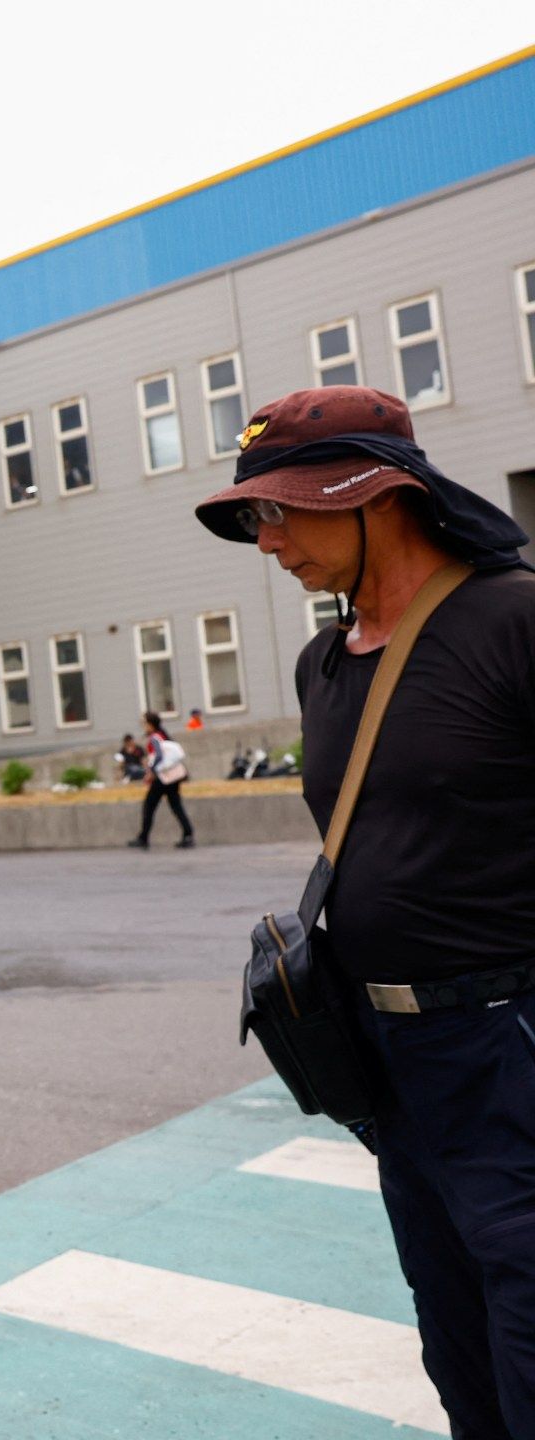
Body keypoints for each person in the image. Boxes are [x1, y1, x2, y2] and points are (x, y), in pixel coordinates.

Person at [196, 385, 535, 1438]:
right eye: (256, 515)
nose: (268, 540)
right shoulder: (320, 663)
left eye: (283, 510)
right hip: (393, 1069)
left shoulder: (513, 620)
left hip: (512, 1047)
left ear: (374, 495)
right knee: (457, 1345)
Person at [127, 711, 194, 849]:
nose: (143, 726)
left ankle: (143, 838)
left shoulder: (155, 737)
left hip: (162, 778)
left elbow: (158, 756)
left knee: (149, 806)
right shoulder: (163, 735)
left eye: (144, 723)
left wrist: (152, 770)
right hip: (172, 778)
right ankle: (188, 834)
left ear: (150, 724)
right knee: (176, 805)